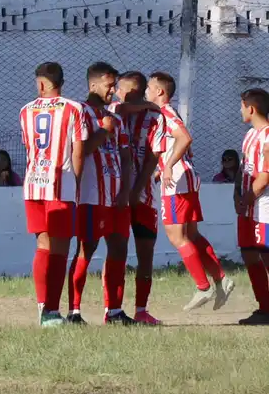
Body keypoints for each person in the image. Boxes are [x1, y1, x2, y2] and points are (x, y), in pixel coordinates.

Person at [147, 71, 233, 310]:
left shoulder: (165, 112)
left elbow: (184, 138)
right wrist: (159, 169)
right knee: (192, 235)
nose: (146, 92)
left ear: (160, 92)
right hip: (184, 178)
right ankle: (221, 279)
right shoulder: (163, 115)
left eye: (148, 88)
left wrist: (168, 167)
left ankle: (202, 287)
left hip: (177, 181)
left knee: (177, 236)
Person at [20, 62, 88, 328]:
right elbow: (78, 151)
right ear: (61, 82)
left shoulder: (25, 110)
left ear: (40, 84)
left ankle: (42, 306)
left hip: (33, 184)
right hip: (61, 186)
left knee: (42, 246)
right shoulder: (74, 109)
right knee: (59, 250)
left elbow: (29, 146)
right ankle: (51, 310)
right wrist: (78, 183)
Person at [67, 62, 135, 325]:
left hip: (116, 196)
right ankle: (74, 311)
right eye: (109, 85)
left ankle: (114, 310)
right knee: (86, 248)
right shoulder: (79, 113)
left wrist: (125, 191)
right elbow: (80, 151)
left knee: (119, 248)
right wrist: (102, 131)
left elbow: (126, 158)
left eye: (114, 85)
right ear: (93, 84)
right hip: (90, 196)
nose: (113, 90)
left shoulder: (115, 118)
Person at [115, 70, 162, 324]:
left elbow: (153, 157)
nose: (122, 95)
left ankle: (141, 309)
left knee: (145, 251)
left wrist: (136, 190)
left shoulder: (155, 117)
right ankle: (112, 308)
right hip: (114, 195)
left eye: (129, 91)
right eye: (120, 90)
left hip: (143, 196)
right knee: (116, 251)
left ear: (139, 92)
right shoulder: (112, 111)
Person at [236, 89, 269, 325]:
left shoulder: (268, 136)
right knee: (249, 254)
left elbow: (266, 174)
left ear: (251, 108)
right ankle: (264, 308)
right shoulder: (249, 136)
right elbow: (242, 170)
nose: (240, 111)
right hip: (247, 206)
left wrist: (250, 195)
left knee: (266, 257)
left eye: (241, 106)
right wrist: (237, 195)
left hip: (264, 206)